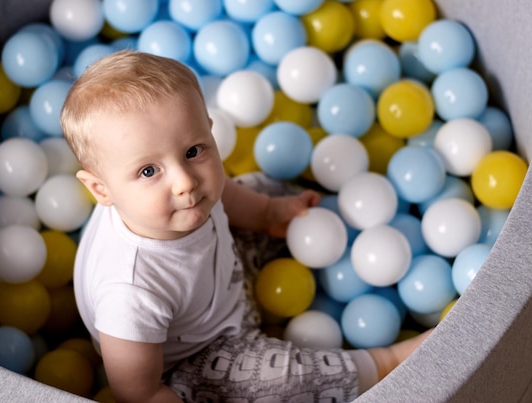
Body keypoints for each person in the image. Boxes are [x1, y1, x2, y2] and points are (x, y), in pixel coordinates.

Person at [60, 50, 431, 403]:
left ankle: (334, 218)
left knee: (253, 188)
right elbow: (137, 393)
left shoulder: (185, 197)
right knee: (281, 382)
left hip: (222, 278)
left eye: (193, 150)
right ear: (100, 189)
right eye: (148, 171)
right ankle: (385, 365)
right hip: (198, 358)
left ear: (209, 130)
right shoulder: (129, 293)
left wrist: (269, 213)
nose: (185, 181)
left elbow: (226, 198)